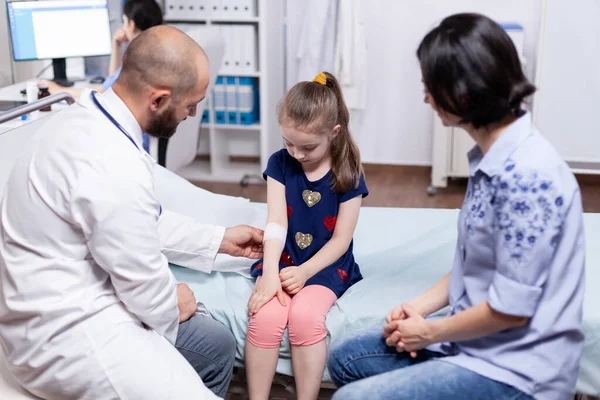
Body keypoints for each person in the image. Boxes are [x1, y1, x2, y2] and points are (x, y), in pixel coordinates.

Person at [327, 13, 585, 400]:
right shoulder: (492, 159)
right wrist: (413, 309)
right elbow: (475, 265)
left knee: (352, 397)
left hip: (517, 370)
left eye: (430, 88)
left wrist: (429, 331)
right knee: (347, 356)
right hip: (475, 344)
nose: (426, 98)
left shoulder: (527, 177)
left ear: (463, 93)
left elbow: (512, 310)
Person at [0, 26, 261, 400]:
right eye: (190, 105)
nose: (193, 113)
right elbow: (147, 290)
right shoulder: (109, 162)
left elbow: (139, 223)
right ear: (158, 99)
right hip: (67, 337)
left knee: (216, 348)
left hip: (61, 303)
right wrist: (175, 301)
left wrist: (219, 239)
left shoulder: (87, 117)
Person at [245, 71, 369, 400]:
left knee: (304, 315)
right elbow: (275, 221)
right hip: (284, 258)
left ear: (334, 132)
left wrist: (304, 272)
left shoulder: (349, 171)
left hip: (324, 266)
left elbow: (341, 241)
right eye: (289, 143)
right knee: (265, 315)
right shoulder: (280, 163)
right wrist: (270, 272)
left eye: (308, 147)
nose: (297, 154)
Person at [45, 0, 163, 100]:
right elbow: (113, 80)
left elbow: (102, 92)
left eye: (124, 21)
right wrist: (116, 44)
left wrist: (58, 90)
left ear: (131, 24)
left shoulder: (137, 60)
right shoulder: (158, 51)